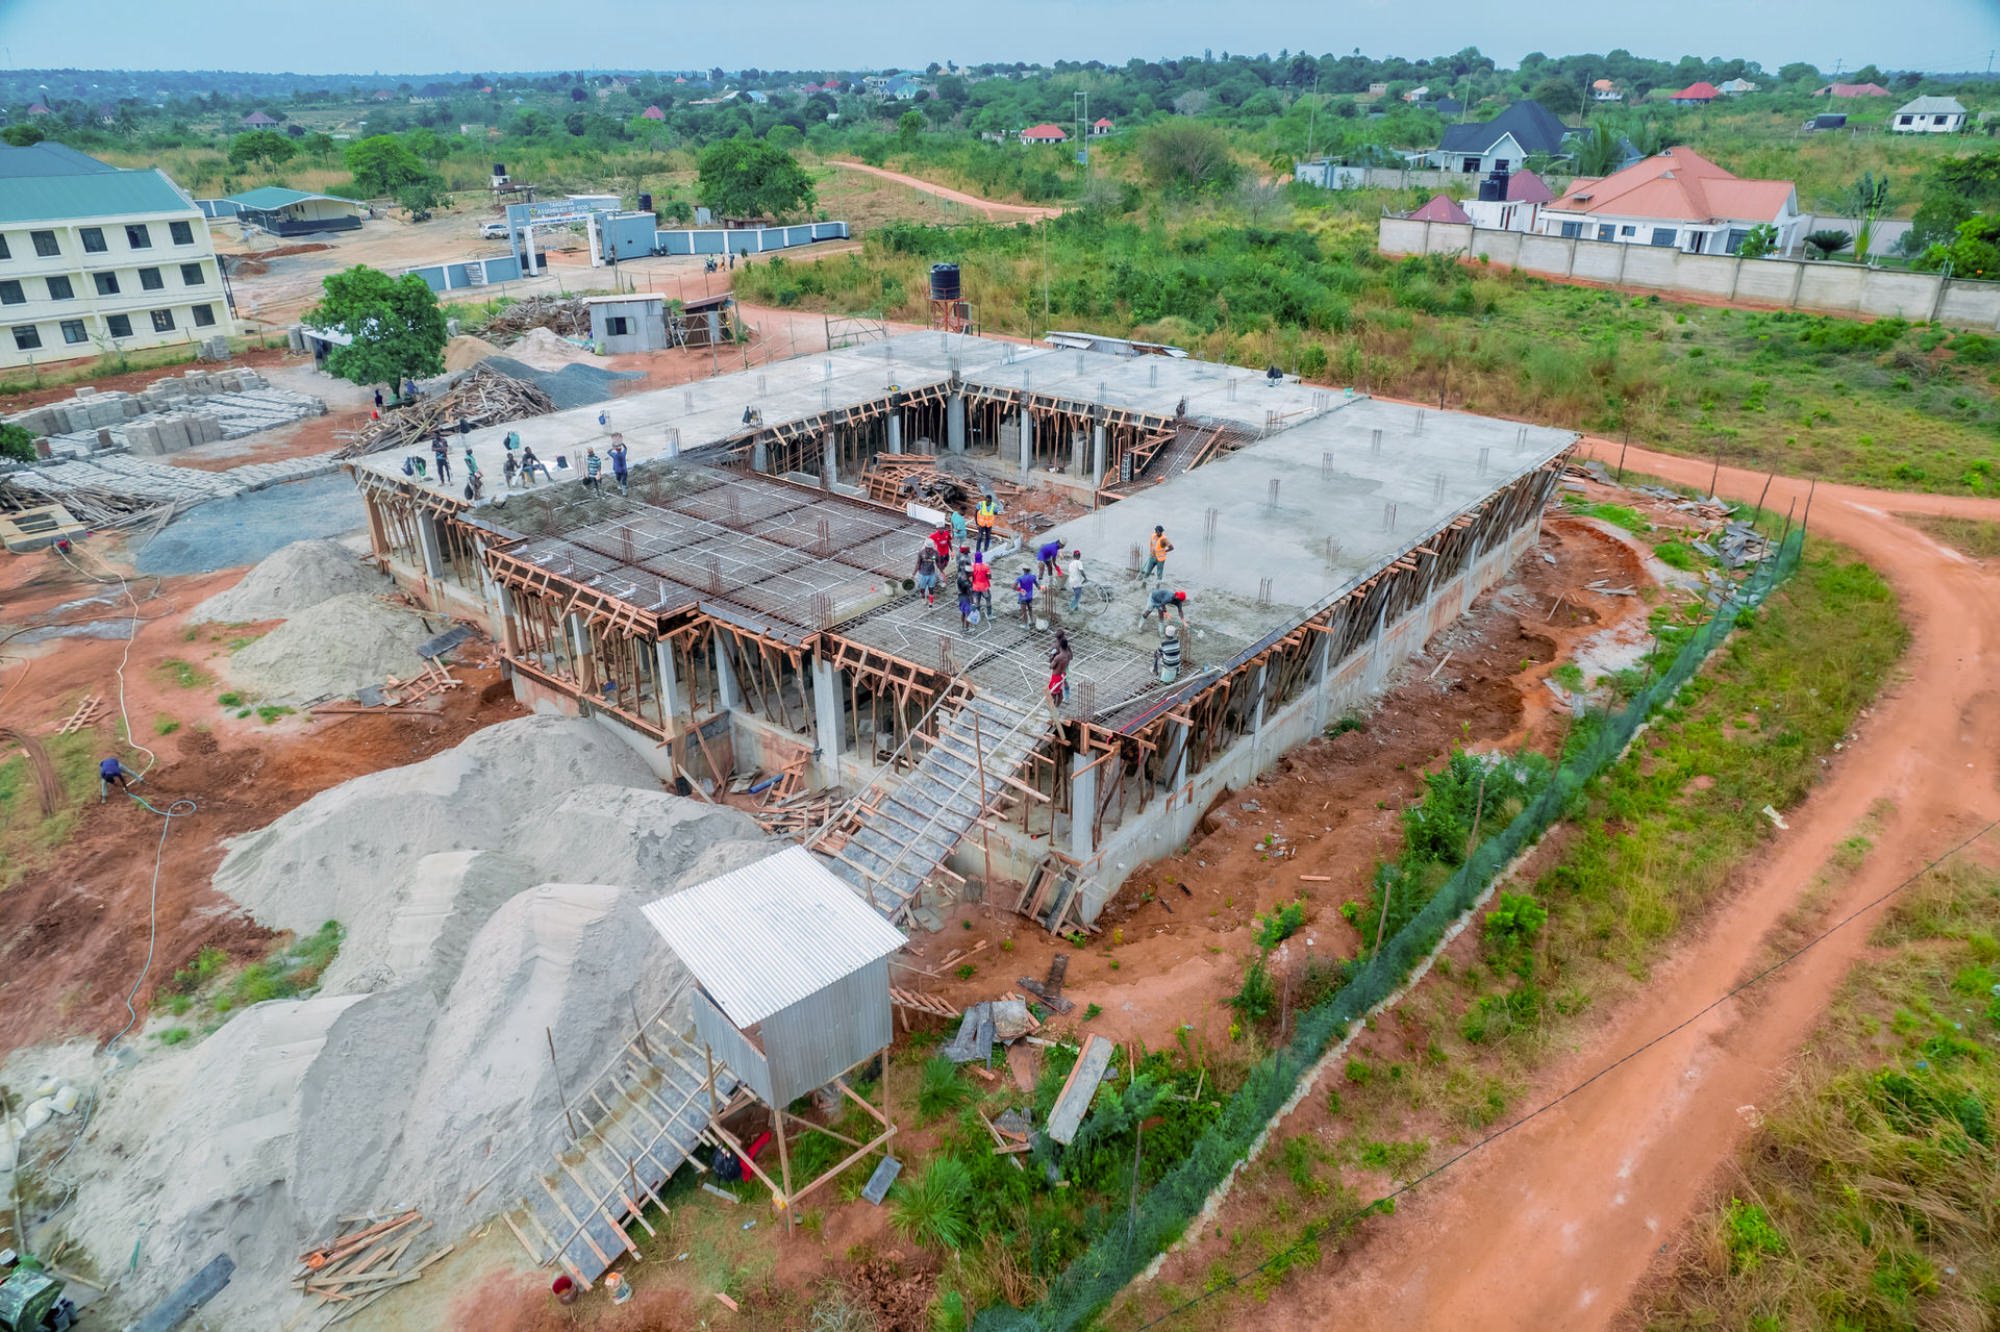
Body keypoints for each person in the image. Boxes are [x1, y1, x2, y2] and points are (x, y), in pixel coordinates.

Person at [1048, 629, 1073, 706]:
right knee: (1064, 684)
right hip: (1064, 670)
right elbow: (1071, 657)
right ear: (1063, 636)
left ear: (1056, 637)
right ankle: (1066, 698)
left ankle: (1055, 706)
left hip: (1057, 673)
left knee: (1054, 691)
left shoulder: (1054, 646)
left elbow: (1051, 665)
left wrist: (1053, 657)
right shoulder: (1067, 646)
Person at [955, 558, 976, 629]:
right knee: (968, 614)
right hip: (966, 599)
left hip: (960, 596)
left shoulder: (960, 578)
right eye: (971, 572)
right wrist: (973, 604)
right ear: (968, 573)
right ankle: (966, 629)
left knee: (963, 613)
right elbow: (970, 594)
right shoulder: (968, 583)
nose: (972, 573)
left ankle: (962, 626)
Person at [971, 554, 992, 620]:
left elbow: (971, 578)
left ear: (975, 558)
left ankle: (977, 616)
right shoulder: (986, 566)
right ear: (981, 558)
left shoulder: (972, 567)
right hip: (984, 587)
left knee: (976, 601)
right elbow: (989, 577)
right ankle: (989, 615)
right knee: (988, 600)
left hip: (975, 587)